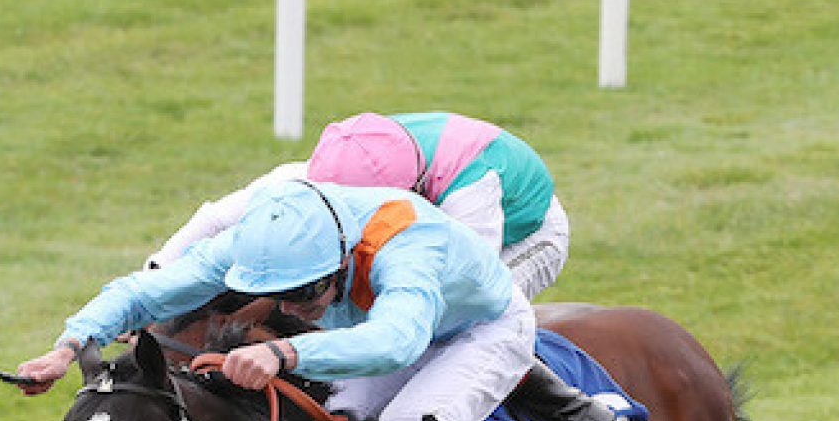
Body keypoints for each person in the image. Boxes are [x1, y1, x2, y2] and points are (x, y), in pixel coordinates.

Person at [13, 178, 537, 421]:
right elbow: (144, 291)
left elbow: (401, 341)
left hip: (480, 332)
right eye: (279, 296)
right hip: (393, 329)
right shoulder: (255, 244)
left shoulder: (407, 246)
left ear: (338, 258)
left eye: (306, 292)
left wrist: (284, 353)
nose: (295, 307)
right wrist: (70, 344)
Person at [150, 112, 571, 301]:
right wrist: (155, 276)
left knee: (475, 319)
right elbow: (217, 219)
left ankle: (572, 410)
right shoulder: (334, 162)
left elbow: (466, 281)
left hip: (529, 237)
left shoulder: (470, 191)